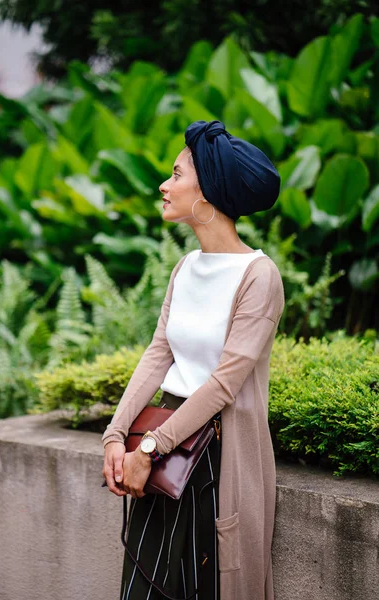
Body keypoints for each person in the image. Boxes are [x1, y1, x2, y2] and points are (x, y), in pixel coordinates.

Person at [102, 120, 285, 600]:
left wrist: (147, 450)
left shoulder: (258, 276)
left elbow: (225, 385)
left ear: (207, 195)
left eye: (177, 174)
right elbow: (158, 352)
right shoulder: (186, 267)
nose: (164, 185)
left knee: (203, 586)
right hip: (166, 450)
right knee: (145, 585)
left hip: (217, 458)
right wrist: (116, 436)